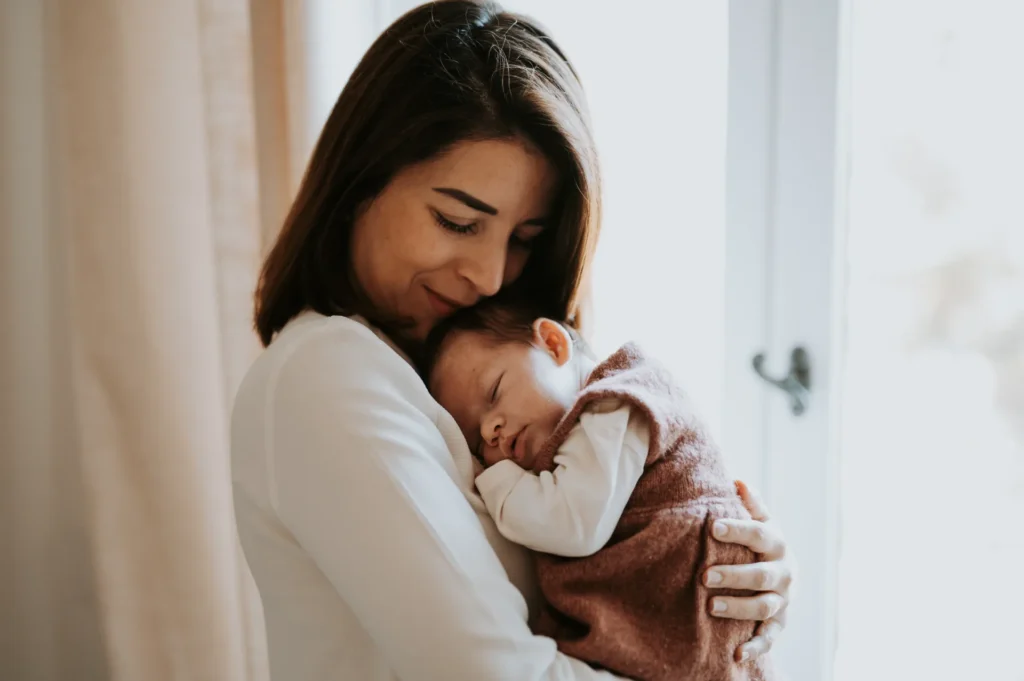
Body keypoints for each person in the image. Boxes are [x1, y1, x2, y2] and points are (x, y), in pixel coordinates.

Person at [231, 2, 792, 680]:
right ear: (361, 182)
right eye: (458, 220)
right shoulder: (327, 371)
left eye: (525, 239)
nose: (491, 275)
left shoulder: (503, 375)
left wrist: (723, 575)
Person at [424, 302, 776, 681]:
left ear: (553, 343)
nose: (491, 428)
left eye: (494, 393)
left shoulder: (615, 404)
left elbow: (572, 524)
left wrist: (492, 479)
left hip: (702, 624)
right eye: (477, 440)